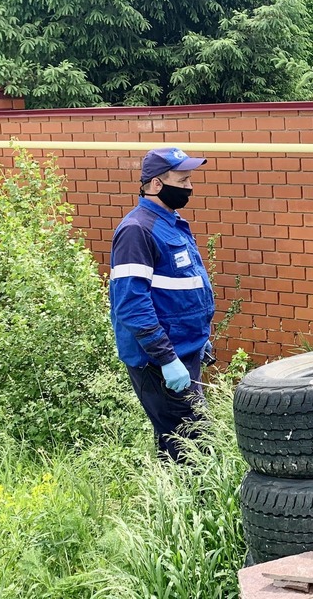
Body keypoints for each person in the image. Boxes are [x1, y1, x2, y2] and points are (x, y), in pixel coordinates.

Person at [110, 147, 215, 463]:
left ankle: (168, 502)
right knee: (195, 447)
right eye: (182, 180)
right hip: (159, 361)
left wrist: (200, 339)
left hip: (185, 351)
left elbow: (182, 287)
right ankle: (193, 506)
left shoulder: (172, 222)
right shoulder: (136, 230)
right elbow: (130, 303)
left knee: (176, 442)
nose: (189, 187)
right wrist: (166, 358)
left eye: (190, 179)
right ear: (156, 184)